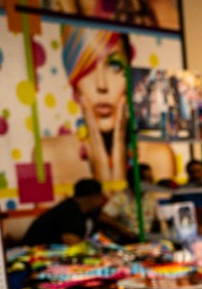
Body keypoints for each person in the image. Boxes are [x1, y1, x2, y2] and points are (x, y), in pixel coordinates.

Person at [41, 25, 175, 186]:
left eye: (115, 66)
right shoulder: (50, 154)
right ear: (75, 83)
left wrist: (118, 169)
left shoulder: (157, 155)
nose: (101, 85)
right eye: (87, 68)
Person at [22, 177, 109, 245]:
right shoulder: (68, 212)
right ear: (93, 197)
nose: (104, 199)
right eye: (101, 196)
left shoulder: (89, 213)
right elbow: (73, 244)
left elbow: (99, 239)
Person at [103, 163, 160, 240]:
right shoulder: (121, 198)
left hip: (146, 240)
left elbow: (157, 219)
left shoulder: (150, 196)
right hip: (127, 241)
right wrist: (125, 231)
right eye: (148, 179)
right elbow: (104, 217)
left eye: (151, 178)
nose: (152, 181)